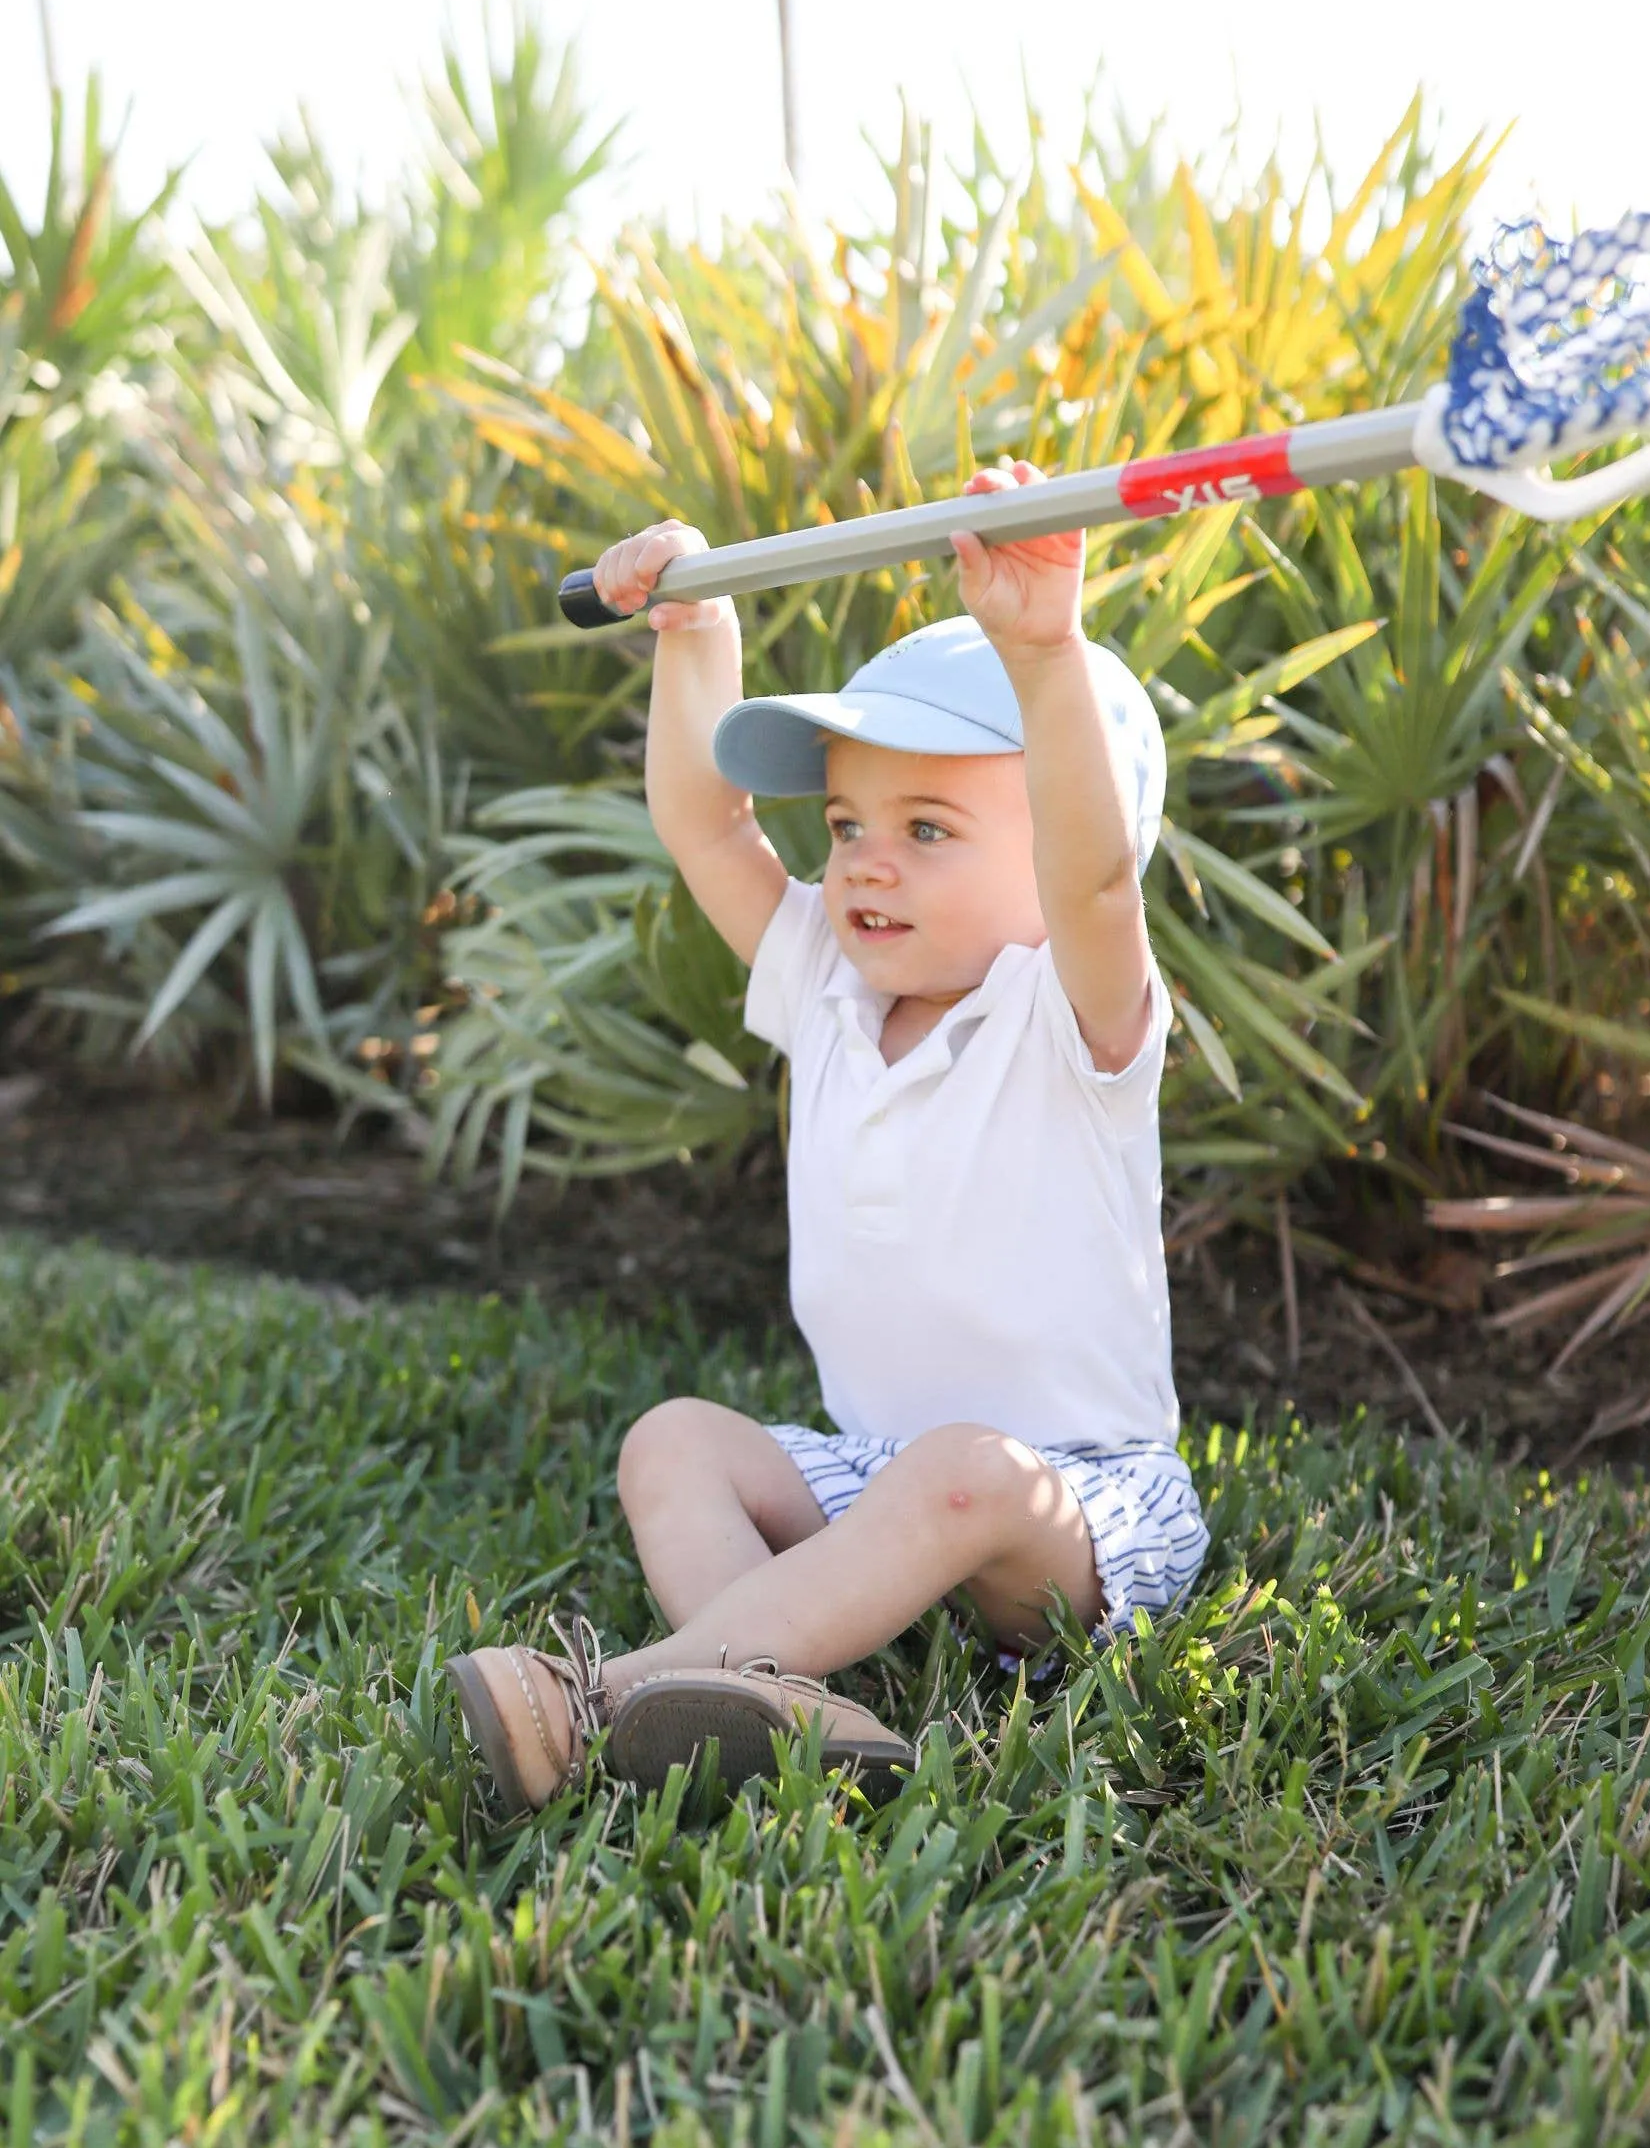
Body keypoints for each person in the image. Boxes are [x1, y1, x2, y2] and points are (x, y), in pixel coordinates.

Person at [447, 460, 1209, 1816]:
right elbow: (706, 822)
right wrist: (698, 629)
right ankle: (772, 1687)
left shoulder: (1070, 1013)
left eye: (926, 829)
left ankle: (609, 1697)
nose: (861, 862)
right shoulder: (833, 986)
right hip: (874, 1472)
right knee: (672, 1439)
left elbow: (1092, 878)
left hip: (1069, 1503)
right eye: (850, 823)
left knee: (962, 1473)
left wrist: (1043, 651)